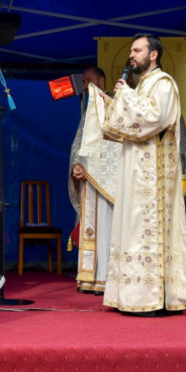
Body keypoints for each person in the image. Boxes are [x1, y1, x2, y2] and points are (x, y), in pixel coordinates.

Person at [98, 34, 186, 315]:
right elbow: (122, 128)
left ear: (153, 55)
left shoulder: (163, 84)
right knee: (131, 229)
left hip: (154, 176)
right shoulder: (140, 87)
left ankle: (154, 297)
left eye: (137, 50)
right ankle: (132, 294)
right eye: (131, 50)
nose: (132, 55)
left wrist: (124, 95)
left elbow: (153, 120)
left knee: (145, 231)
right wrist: (110, 103)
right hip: (134, 172)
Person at [68, 65, 121, 295]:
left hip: (108, 181)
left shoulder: (113, 106)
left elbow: (116, 145)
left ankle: (105, 278)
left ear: (101, 82)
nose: (85, 86)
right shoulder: (89, 109)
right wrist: (76, 167)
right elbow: (80, 145)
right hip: (90, 179)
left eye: (89, 81)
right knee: (92, 228)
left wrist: (95, 168)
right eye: (83, 82)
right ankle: (90, 278)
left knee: (107, 228)